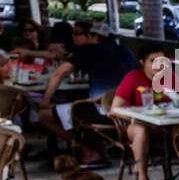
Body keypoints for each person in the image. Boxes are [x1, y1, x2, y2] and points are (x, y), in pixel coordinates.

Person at [36, 22, 134, 150]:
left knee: (43, 114)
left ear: (95, 37)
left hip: (103, 115)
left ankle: (84, 149)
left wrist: (45, 101)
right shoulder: (127, 51)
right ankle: (95, 147)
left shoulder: (90, 49)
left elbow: (58, 74)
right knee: (81, 105)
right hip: (128, 115)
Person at [111, 42, 175, 180]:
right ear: (142, 62)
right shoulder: (133, 78)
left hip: (166, 125)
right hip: (136, 125)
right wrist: (135, 117)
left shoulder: (171, 77)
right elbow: (114, 109)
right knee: (141, 130)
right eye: (153, 61)